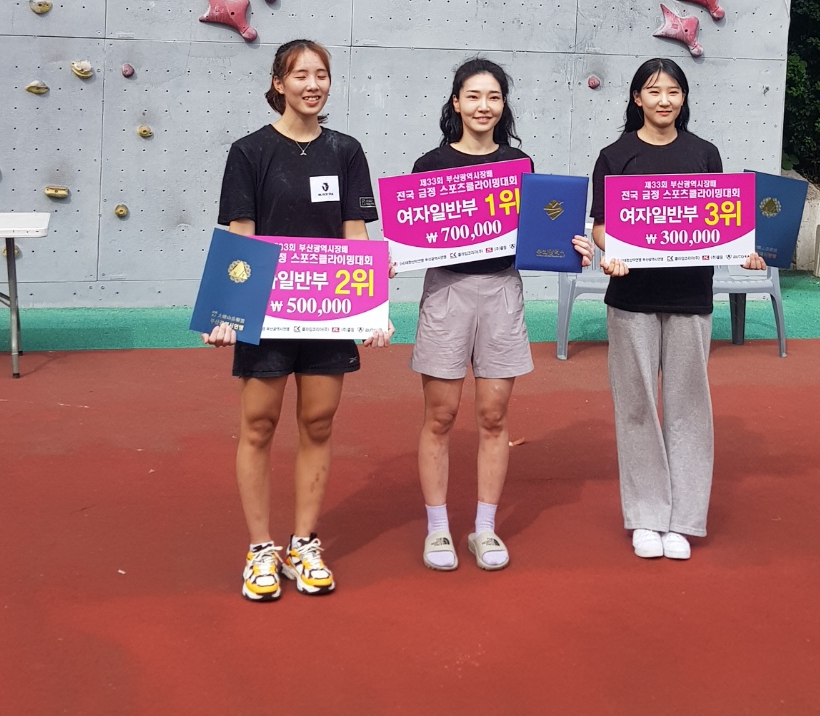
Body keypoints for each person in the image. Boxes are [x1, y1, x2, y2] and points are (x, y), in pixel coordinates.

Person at [204, 38, 389, 602]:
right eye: (301, 75)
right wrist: (227, 313)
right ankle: (260, 549)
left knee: (318, 422)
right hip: (266, 314)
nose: (313, 85)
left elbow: (356, 234)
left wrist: (372, 310)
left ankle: (304, 543)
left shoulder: (347, 151)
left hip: (327, 313)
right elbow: (241, 236)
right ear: (279, 83)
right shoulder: (249, 151)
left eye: (321, 75)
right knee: (259, 425)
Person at [408, 58, 592, 572]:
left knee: (493, 415)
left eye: (493, 97)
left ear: (503, 104)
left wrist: (570, 246)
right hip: (446, 292)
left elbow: (540, 232)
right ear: (456, 103)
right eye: (473, 96)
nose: (483, 106)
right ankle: (438, 529)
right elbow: (412, 236)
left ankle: (484, 529)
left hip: (502, 291)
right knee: (441, 415)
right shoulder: (430, 165)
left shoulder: (520, 165)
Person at [589, 57, 765, 560]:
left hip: (691, 297)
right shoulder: (614, 156)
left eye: (673, 91)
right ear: (637, 98)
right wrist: (610, 251)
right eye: (653, 90)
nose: (663, 100)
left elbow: (721, 221)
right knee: (637, 406)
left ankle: (684, 519)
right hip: (631, 299)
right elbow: (601, 225)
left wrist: (743, 250)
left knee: (689, 407)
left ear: (683, 98)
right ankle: (647, 516)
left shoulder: (704, 154)